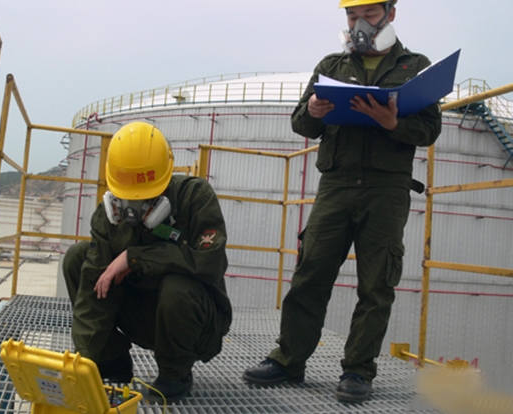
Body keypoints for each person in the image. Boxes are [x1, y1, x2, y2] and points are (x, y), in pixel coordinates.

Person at [243, 0, 442, 404]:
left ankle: (357, 370)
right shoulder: (332, 66)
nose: (360, 24)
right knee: (311, 273)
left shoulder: (416, 66)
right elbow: (303, 121)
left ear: (390, 13)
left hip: (385, 191)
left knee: (377, 282)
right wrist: (314, 110)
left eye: (369, 15)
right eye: (352, 16)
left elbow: (429, 129)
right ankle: (288, 360)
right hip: (335, 186)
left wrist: (393, 123)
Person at [63, 121, 232, 402]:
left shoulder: (195, 198)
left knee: (177, 286)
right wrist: (84, 365)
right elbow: (94, 290)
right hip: (144, 318)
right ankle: (112, 360)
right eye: (127, 196)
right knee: (77, 259)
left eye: (146, 198)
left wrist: (135, 258)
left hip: (195, 324)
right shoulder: (108, 217)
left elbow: (210, 263)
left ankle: (174, 374)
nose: (134, 208)